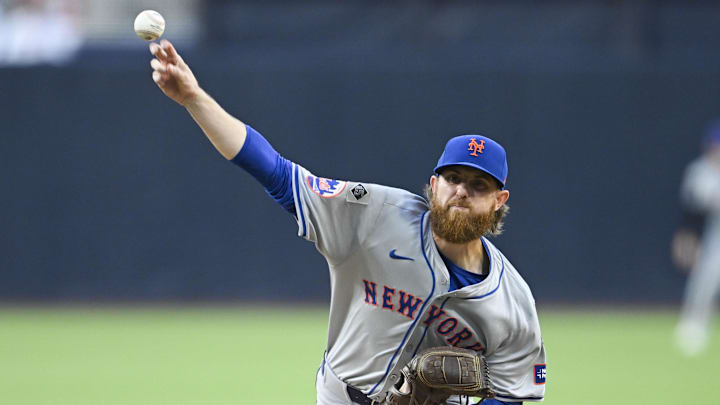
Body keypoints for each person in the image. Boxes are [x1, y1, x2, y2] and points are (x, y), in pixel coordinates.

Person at [148, 39, 546, 404]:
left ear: (499, 201)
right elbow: (278, 174)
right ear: (433, 184)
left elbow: (515, 394)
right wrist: (193, 98)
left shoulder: (514, 303)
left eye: (478, 185)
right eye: (453, 179)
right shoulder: (376, 215)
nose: (461, 191)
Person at [673, 121, 720, 357]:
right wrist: (686, 239)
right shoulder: (699, 171)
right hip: (714, 236)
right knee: (705, 280)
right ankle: (693, 325)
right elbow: (691, 212)